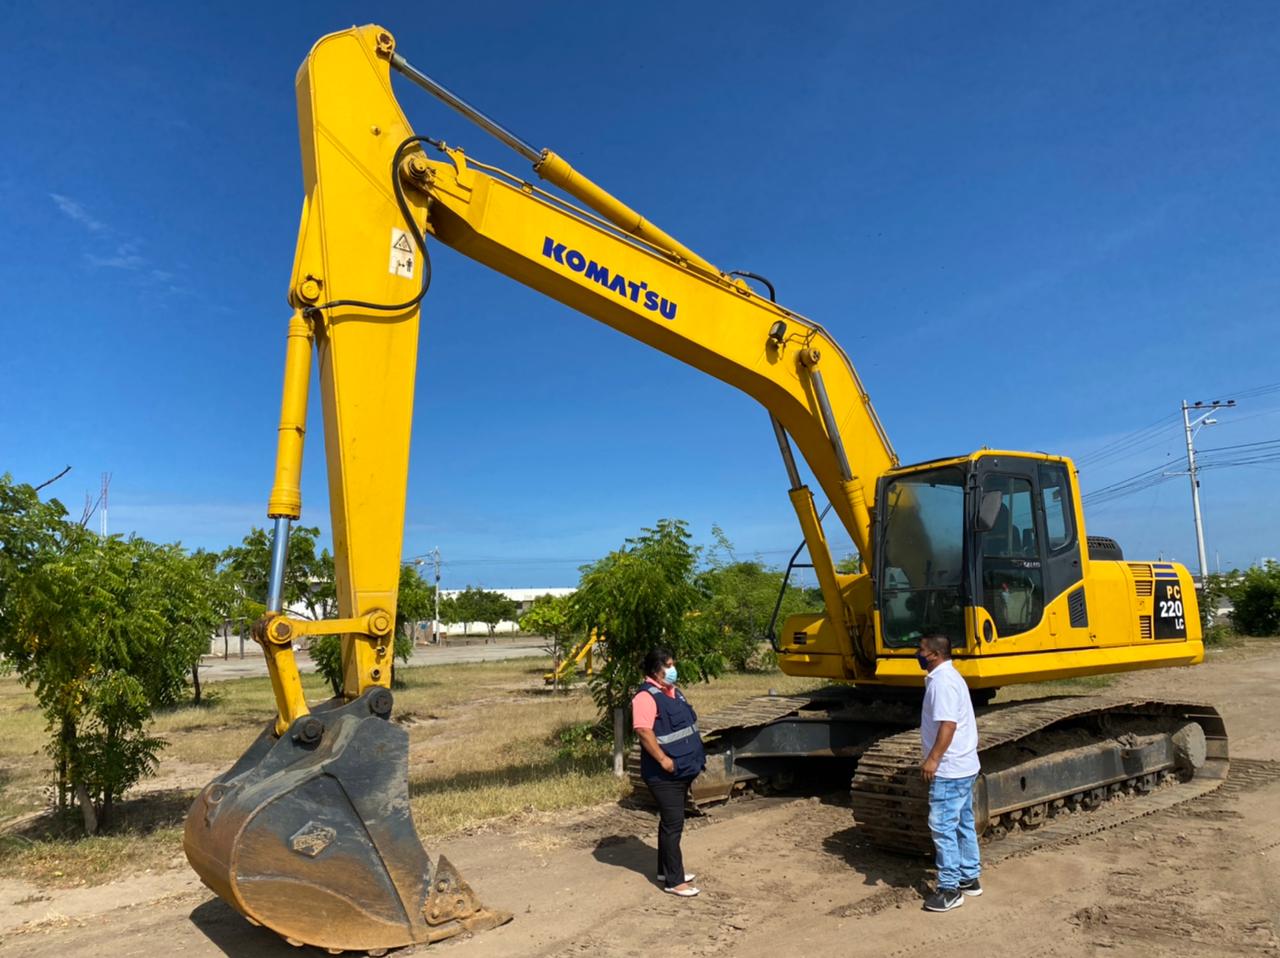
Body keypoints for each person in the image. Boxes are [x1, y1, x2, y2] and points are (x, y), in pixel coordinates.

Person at [631, 647, 706, 897]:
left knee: (670, 822)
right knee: (674, 825)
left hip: (682, 769)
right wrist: (664, 760)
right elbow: (643, 731)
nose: (674, 669)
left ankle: (666, 871)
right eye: (669, 665)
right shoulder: (645, 697)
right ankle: (675, 881)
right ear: (656, 670)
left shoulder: (674, 692)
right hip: (663, 774)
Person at [916, 634, 982, 912]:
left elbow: (948, 725)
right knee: (963, 822)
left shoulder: (942, 683)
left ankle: (950, 889)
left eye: (921, 650)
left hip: (950, 769)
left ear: (934, 654)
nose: (917, 654)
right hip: (965, 765)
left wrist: (933, 759)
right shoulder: (951, 677)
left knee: (943, 827)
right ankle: (969, 877)